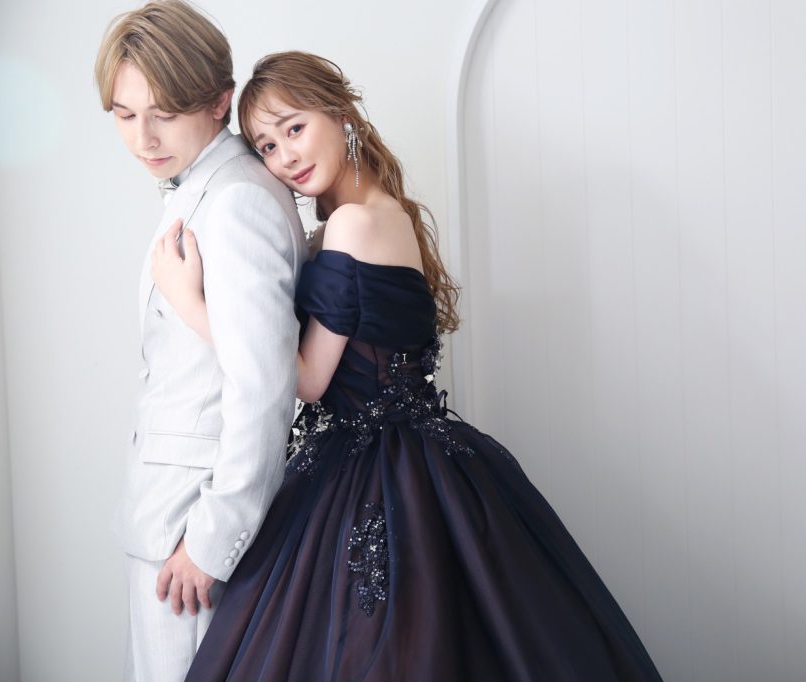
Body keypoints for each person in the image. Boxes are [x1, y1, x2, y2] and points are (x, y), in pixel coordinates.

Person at [156, 51, 661, 680]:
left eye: (294, 128)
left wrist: (189, 303)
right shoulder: (380, 213)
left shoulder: (353, 225)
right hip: (412, 458)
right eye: (266, 146)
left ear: (341, 116)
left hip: (375, 468)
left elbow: (306, 380)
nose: (285, 156)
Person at [93, 4, 307, 680]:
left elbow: (263, 386)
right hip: (168, 519)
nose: (143, 138)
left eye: (164, 113)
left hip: (191, 533)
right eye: (125, 115)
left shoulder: (236, 200)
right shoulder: (204, 187)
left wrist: (212, 543)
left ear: (220, 101)